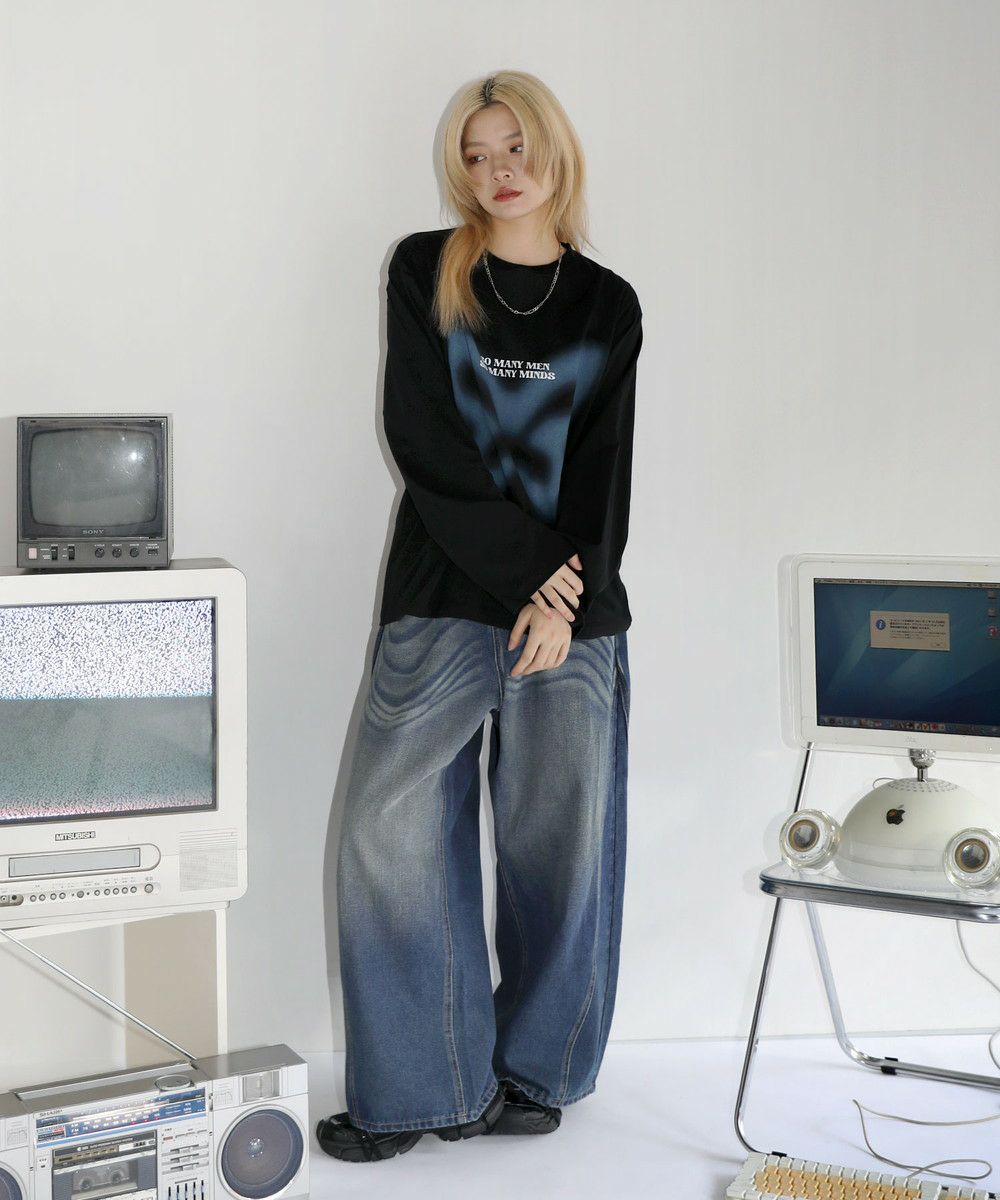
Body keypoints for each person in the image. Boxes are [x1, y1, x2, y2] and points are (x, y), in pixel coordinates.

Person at [316, 69, 643, 1164]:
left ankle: (537, 1073)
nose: (497, 171)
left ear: (553, 150)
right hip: (444, 593)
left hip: (571, 614)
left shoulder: (607, 304)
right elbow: (425, 442)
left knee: (562, 845)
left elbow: (602, 470)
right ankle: (421, 1089)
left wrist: (570, 598)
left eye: (513, 147)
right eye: (474, 154)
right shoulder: (427, 270)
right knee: (388, 833)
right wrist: (534, 578)